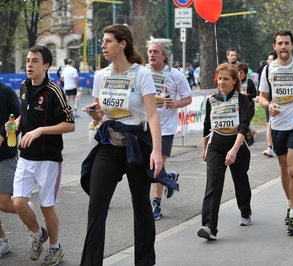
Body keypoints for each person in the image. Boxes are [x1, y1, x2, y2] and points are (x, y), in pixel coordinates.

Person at [79, 24, 177, 266]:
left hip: (137, 144)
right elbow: (104, 114)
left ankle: (144, 262)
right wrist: (96, 116)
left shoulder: (141, 74)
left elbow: (152, 115)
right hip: (109, 144)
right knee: (96, 207)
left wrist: (156, 150)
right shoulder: (101, 75)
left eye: (108, 41)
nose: (103, 45)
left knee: (141, 205)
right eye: (103, 41)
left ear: (122, 44)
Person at [8, 45, 75, 265]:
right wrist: (16, 125)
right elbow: (23, 116)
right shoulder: (24, 86)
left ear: (46, 65)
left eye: (35, 61)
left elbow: (70, 125)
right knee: (19, 203)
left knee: (47, 207)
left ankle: (55, 248)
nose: (29, 64)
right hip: (26, 157)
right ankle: (38, 235)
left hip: (49, 159)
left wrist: (40, 130)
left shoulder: (54, 91)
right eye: (28, 60)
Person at [258, 30, 293, 235]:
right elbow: (263, 96)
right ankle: (290, 204)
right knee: (283, 170)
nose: (283, 47)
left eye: (287, 43)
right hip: (277, 125)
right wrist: (268, 105)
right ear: (275, 46)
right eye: (280, 43)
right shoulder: (268, 70)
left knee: (292, 170)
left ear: (292, 46)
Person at [197, 63, 252, 240]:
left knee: (240, 181)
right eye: (219, 78)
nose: (221, 82)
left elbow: (244, 127)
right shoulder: (211, 100)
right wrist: (205, 148)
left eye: (226, 79)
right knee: (213, 184)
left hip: (237, 145)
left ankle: (245, 210)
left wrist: (235, 150)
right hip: (216, 147)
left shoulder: (241, 99)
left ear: (234, 80)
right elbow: (207, 126)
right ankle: (209, 226)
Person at [146, 36, 192, 221]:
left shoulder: (175, 75)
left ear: (164, 56)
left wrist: (174, 103)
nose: (152, 55)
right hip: (144, 126)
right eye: (149, 52)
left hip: (165, 128)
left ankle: (156, 204)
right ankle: (169, 177)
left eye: (156, 52)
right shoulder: (142, 73)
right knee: (144, 166)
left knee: (156, 167)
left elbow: (187, 98)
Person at [0, 82, 20, 258]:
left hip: (4, 155)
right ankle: (2, 240)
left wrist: (2, 133)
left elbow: (20, 117)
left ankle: (25, 210)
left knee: (4, 204)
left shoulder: (5, 91)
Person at [262, 51, 278, 157]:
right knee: (269, 123)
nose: (268, 61)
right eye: (268, 59)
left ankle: (276, 145)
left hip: (282, 104)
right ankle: (270, 147)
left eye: (270, 59)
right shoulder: (266, 70)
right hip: (269, 102)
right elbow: (262, 91)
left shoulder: (281, 70)